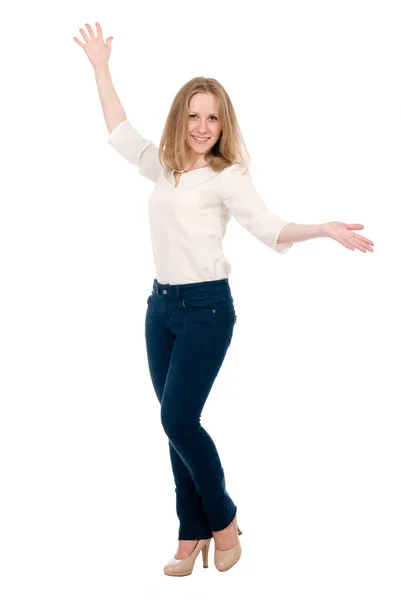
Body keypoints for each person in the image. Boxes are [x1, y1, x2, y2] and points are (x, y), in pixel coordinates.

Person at [73, 21, 375, 577]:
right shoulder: (162, 165)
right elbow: (119, 129)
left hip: (207, 311)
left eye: (213, 117)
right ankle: (189, 532)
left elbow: (269, 226)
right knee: (173, 421)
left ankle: (224, 519)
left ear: (223, 122)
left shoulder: (227, 176)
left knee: (179, 417)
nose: (203, 126)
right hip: (159, 310)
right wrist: (100, 66)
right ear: (180, 118)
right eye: (194, 115)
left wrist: (322, 228)